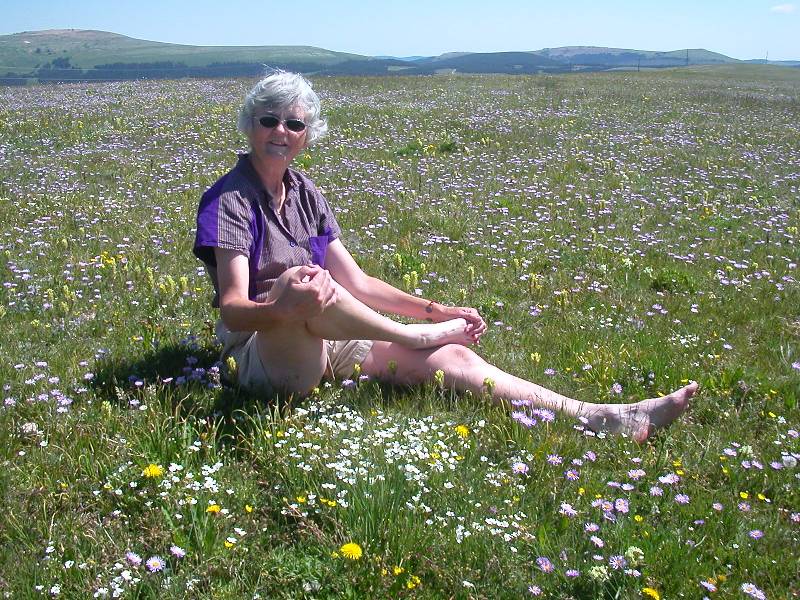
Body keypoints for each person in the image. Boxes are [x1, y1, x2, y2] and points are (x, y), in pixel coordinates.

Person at [193, 70, 696, 443]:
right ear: (250, 126)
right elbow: (234, 307)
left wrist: (440, 313)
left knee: (452, 355)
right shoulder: (230, 200)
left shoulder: (306, 194)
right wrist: (283, 308)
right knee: (300, 283)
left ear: (307, 134)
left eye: (294, 123)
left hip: (324, 338)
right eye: (269, 120)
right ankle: (408, 336)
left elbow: (360, 283)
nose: (280, 131)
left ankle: (600, 416)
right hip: (264, 349)